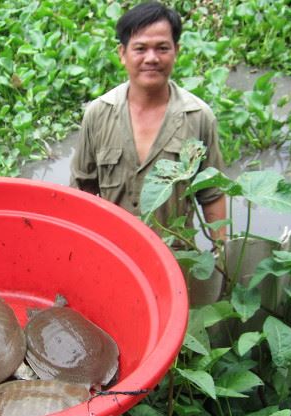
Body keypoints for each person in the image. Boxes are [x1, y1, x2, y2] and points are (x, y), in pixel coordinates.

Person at [70, 1, 226, 245]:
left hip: (176, 260)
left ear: (177, 51)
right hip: (116, 256)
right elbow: (82, 192)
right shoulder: (98, 114)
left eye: (162, 48)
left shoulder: (198, 117)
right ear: (122, 54)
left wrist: (221, 254)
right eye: (140, 48)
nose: (151, 58)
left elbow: (212, 194)